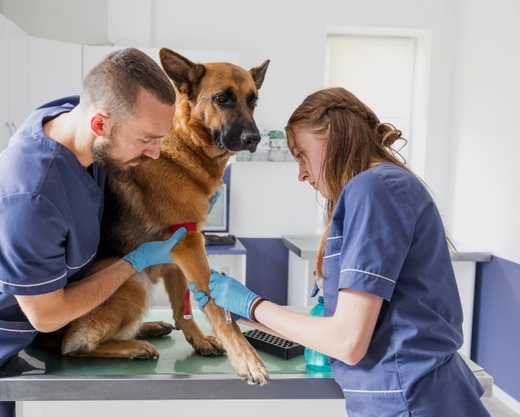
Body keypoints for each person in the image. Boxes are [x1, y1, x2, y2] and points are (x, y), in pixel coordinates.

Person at [0, 48, 187, 417]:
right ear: (100, 125)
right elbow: (48, 315)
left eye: (160, 138)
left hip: (13, 346)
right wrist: (134, 263)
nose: (155, 153)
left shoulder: (73, 118)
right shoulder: (28, 198)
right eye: (145, 140)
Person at [192, 87, 490, 416]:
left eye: (302, 154)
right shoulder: (377, 187)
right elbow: (339, 333)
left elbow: (346, 342)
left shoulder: (375, 188)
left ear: (332, 135)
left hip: (412, 402)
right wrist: (243, 312)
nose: (302, 174)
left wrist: (251, 303)